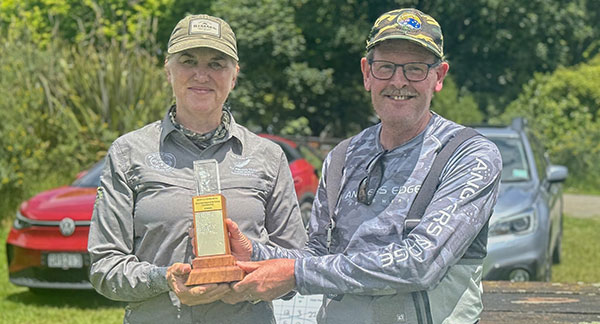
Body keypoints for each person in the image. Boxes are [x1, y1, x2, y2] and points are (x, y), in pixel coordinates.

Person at [224, 8, 502, 324]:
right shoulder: (342, 158)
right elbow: (316, 257)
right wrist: (255, 255)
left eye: (415, 69)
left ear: (438, 77)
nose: (399, 81)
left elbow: (420, 264)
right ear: (367, 73)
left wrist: (297, 273)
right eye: (385, 67)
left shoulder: (468, 156)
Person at [87, 14, 307, 324]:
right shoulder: (128, 153)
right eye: (188, 61)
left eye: (217, 64)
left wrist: (247, 278)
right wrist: (165, 279)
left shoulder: (267, 156)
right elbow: (105, 268)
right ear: (168, 70)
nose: (201, 75)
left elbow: (296, 266)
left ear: (234, 76)